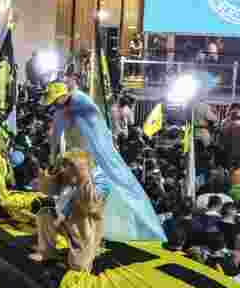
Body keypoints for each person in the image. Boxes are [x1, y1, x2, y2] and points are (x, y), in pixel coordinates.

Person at [43, 82, 165, 243]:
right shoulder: (63, 110)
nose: (53, 106)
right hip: (79, 157)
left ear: (61, 96)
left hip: (91, 158)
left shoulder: (80, 102)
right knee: (74, 193)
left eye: (54, 101)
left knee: (88, 193)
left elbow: (95, 128)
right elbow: (57, 136)